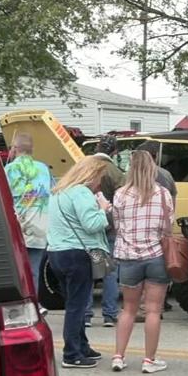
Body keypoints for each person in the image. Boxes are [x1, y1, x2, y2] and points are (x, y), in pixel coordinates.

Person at [111, 151, 173, 373]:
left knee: (128, 309)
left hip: (129, 257)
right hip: (155, 255)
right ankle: (149, 360)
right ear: (152, 167)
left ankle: (118, 356)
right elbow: (168, 225)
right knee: (153, 310)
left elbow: (117, 225)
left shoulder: (120, 194)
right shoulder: (163, 193)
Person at [47, 156, 112, 368]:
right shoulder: (81, 193)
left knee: (73, 303)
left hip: (57, 252)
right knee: (77, 305)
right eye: (99, 177)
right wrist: (103, 208)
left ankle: (82, 345)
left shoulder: (59, 192)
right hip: (78, 253)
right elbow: (92, 224)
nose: (99, 183)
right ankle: (72, 353)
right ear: (91, 175)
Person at [4, 132, 53, 315]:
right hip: (41, 224)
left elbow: (3, 195)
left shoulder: (11, 169)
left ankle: (21, 305)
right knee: (34, 269)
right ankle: (36, 305)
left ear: (15, 148)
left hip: (18, 224)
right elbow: (52, 191)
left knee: (16, 269)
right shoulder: (43, 169)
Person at [85, 136, 125, 327]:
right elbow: (122, 201)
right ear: (115, 152)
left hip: (86, 224)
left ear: (97, 148)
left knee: (88, 269)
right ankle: (109, 314)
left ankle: (86, 314)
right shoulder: (116, 172)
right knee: (109, 269)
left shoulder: (85, 168)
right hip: (109, 225)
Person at [138, 141, 178, 314]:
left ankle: (143, 305)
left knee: (141, 267)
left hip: (140, 227)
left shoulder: (133, 176)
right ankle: (160, 301)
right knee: (162, 265)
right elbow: (173, 199)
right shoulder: (165, 174)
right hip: (161, 227)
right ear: (155, 156)